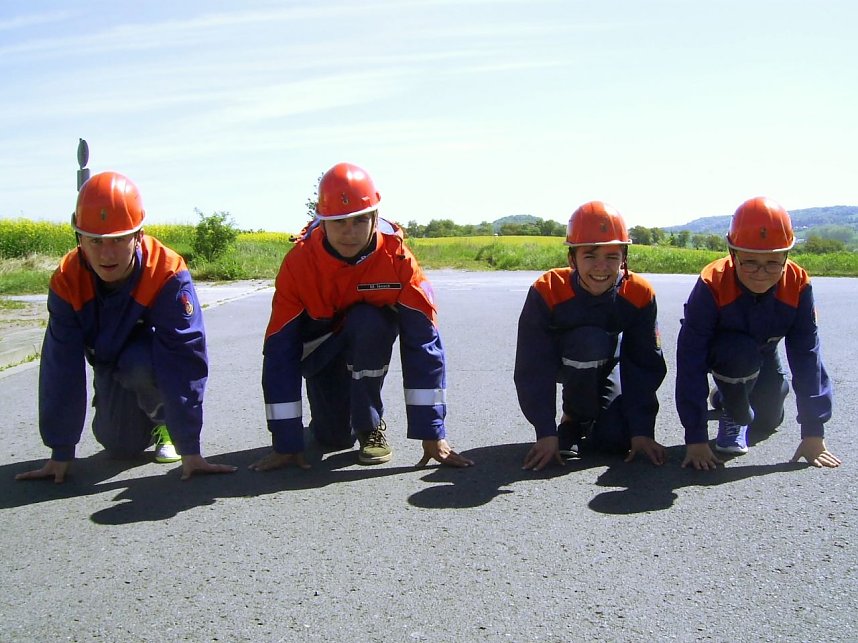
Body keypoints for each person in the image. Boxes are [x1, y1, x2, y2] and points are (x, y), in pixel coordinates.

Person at [250, 162, 473, 471]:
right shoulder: (299, 263)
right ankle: (332, 419)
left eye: (359, 220)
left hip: (367, 340)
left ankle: (369, 426)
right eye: (339, 222)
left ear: (375, 217)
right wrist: (286, 443)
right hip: (322, 351)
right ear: (322, 220)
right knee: (332, 438)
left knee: (369, 321)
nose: (349, 232)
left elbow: (424, 344)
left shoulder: (398, 261)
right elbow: (279, 350)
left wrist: (432, 433)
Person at [15, 171, 237, 483]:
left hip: (150, 362)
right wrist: (60, 451)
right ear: (79, 238)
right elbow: (60, 367)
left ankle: (165, 423)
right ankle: (127, 412)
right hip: (108, 363)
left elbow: (185, 357)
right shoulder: (67, 280)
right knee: (120, 446)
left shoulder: (166, 271)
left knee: (137, 363)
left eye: (119, 240)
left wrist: (191, 449)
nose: (106, 254)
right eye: (95, 241)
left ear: (138, 235)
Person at [676, 196, 840, 470]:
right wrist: (696, 437)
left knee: (768, 421)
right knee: (738, 353)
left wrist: (813, 432)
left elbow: (807, 356)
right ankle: (734, 411)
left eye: (773, 263)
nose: (761, 273)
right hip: (728, 355)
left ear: (786, 256)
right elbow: (690, 360)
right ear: (733, 254)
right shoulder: (711, 283)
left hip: (763, 355)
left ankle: (727, 395)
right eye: (750, 262)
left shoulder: (798, 284)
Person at [516, 201, 667, 471]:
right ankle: (572, 421)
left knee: (615, 441)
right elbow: (532, 367)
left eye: (612, 257)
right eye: (590, 256)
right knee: (588, 342)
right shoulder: (546, 290)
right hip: (566, 361)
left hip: (612, 362)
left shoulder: (639, 293)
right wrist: (545, 432)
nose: (601, 267)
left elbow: (645, 363)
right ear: (571, 258)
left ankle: (596, 419)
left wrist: (642, 431)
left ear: (624, 258)